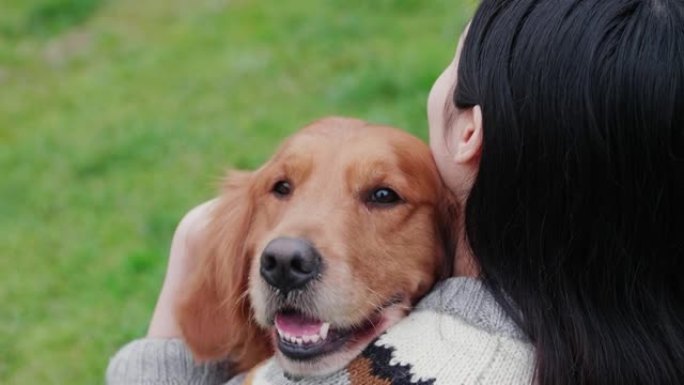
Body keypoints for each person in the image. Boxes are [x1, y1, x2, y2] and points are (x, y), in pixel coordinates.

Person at [106, 0, 684, 384]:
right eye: (282, 186)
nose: (288, 252)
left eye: (383, 196)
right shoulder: (633, 314)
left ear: (469, 129)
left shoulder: (419, 369)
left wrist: (186, 254)